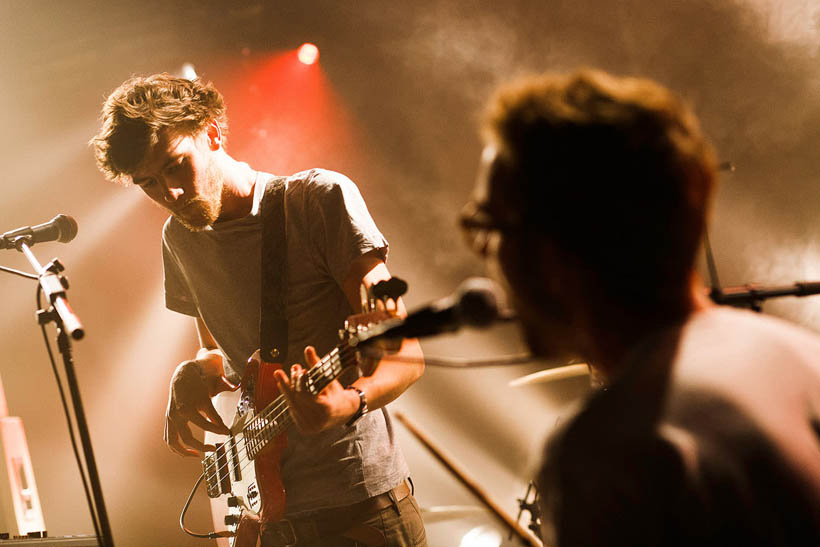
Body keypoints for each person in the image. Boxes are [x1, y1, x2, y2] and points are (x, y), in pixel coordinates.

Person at [461, 69, 820, 545]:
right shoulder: (799, 356)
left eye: (489, 226)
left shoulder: (610, 452)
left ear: (550, 249)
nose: (487, 260)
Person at [91, 73, 426, 547]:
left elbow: (403, 349)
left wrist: (348, 402)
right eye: (148, 183)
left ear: (212, 133)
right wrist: (192, 371)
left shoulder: (317, 201)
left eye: (174, 167)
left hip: (357, 512)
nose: (171, 195)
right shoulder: (179, 239)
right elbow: (217, 349)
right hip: (265, 518)